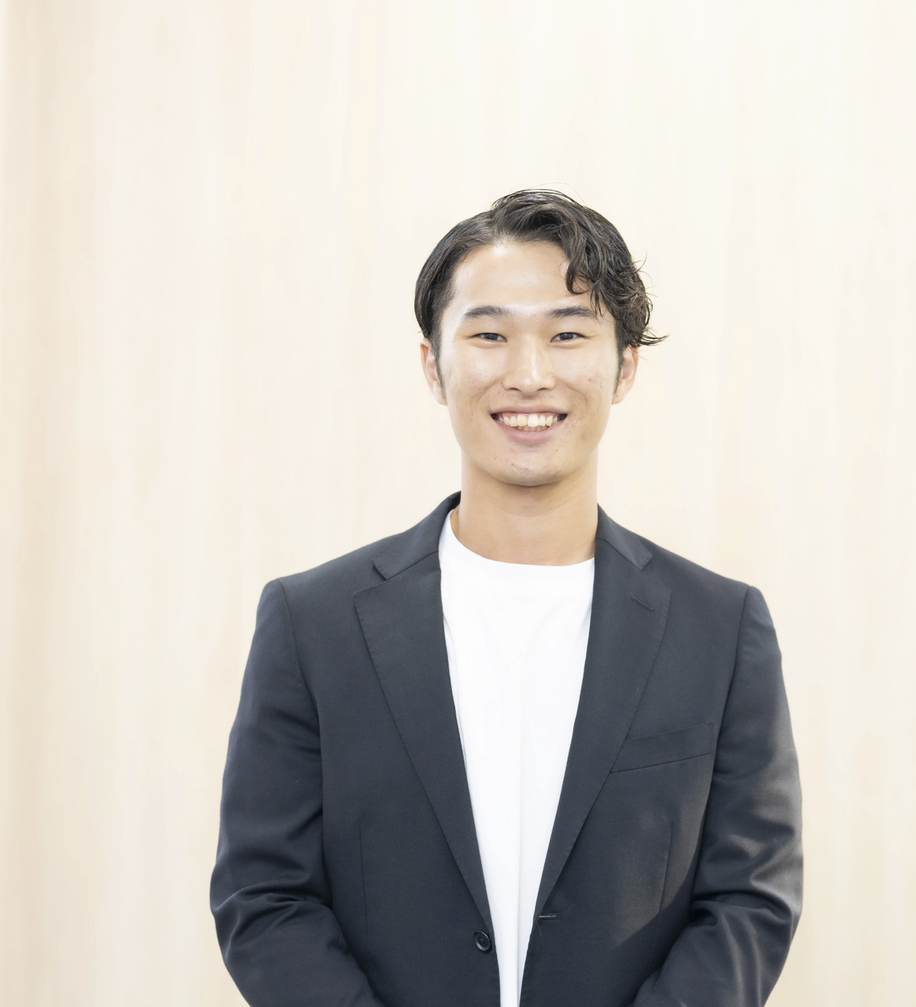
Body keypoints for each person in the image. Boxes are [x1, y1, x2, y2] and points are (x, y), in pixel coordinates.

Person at [210, 190, 802, 1007]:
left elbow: (749, 898)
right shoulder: (312, 625)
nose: (528, 374)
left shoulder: (721, 629)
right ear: (433, 365)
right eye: (489, 335)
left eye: (568, 333)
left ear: (625, 366)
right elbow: (265, 896)